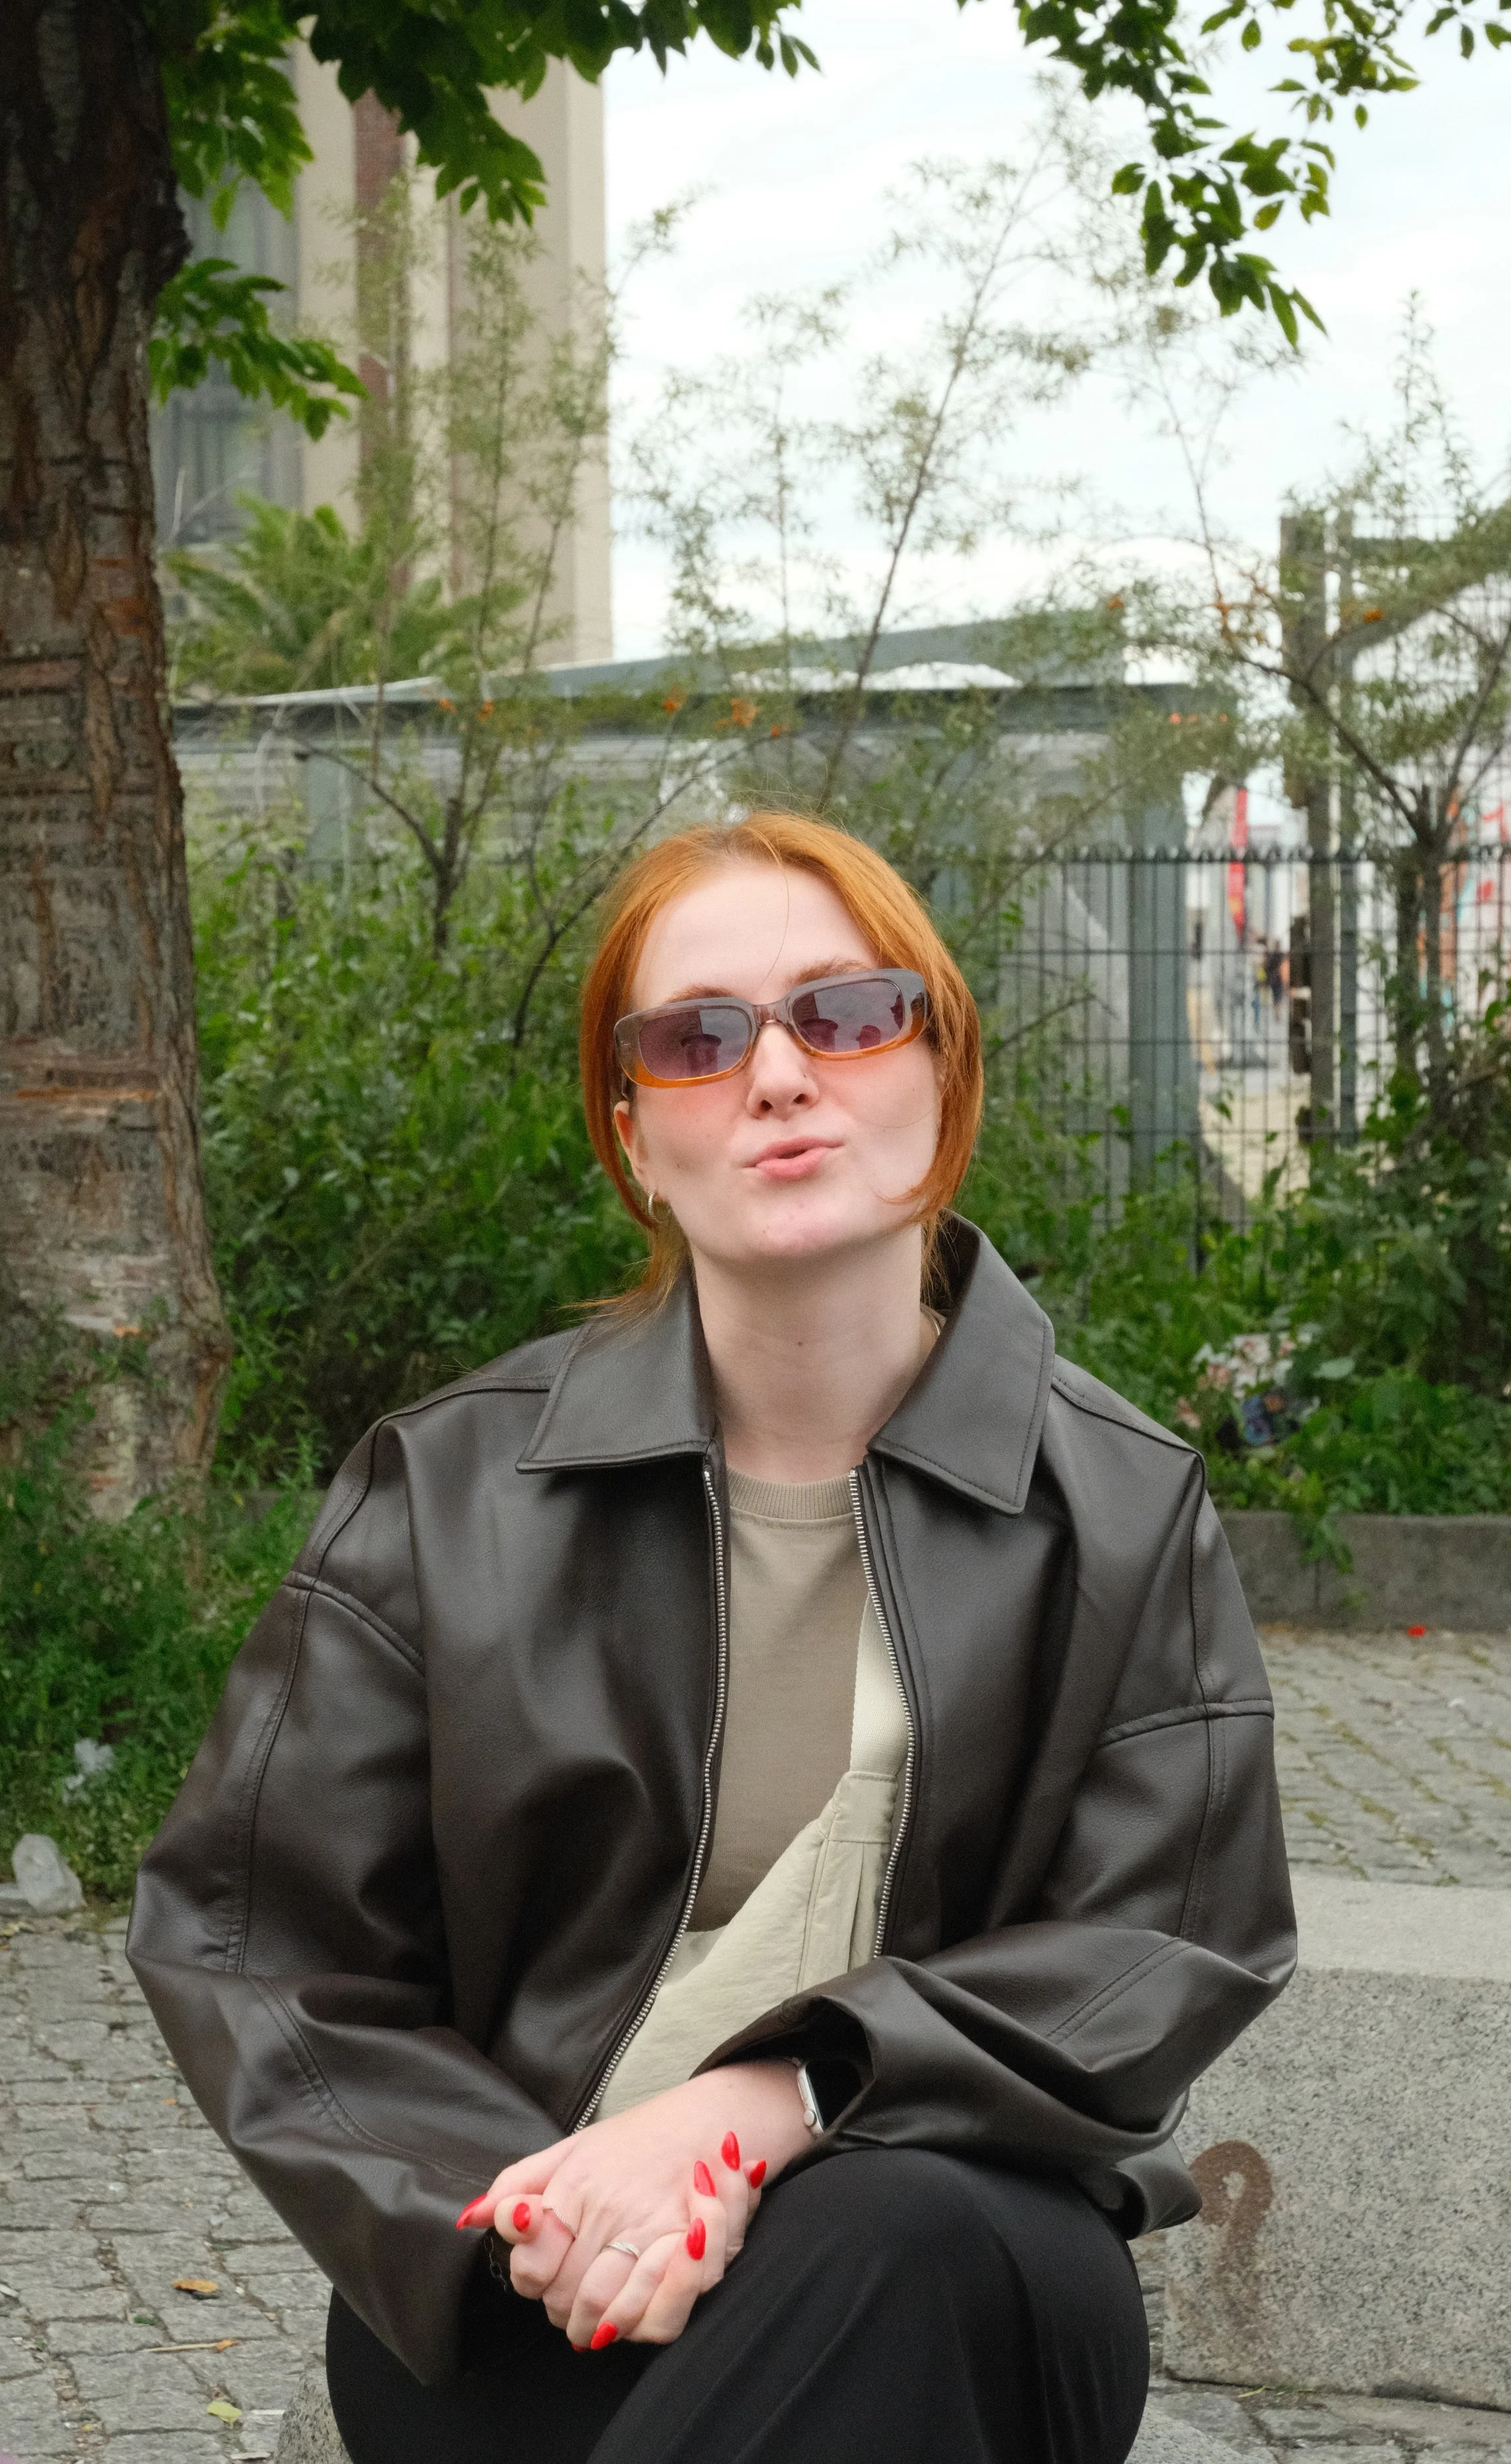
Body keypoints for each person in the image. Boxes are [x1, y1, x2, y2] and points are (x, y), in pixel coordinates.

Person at [128, 812, 1296, 2464]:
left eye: (845, 1012)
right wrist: (527, 2203)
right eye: (697, 1038)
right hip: (535, 2271)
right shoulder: (450, 1484)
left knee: (892, 2245)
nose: (776, 1075)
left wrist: (774, 2101)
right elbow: (254, 1933)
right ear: (634, 1138)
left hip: (959, 2249)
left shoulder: (1116, 1504)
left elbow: (1170, 1931)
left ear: (938, 1071)